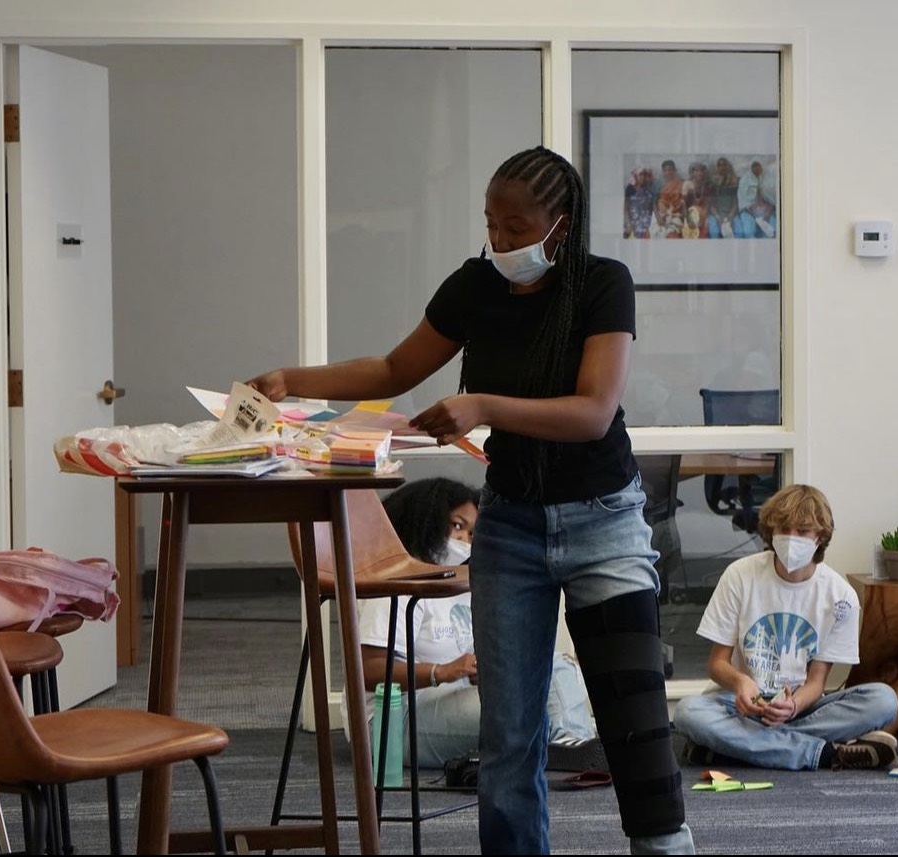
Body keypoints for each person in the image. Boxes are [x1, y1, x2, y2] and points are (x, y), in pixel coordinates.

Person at [248, 145, 694, 855]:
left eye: (517, 227)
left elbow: (592, 413)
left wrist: (481, 404)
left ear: (562, 222)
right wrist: (291, 379)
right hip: (511, 525)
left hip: (602, 520)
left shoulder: (603, 284)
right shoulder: (476, 286)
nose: (501, 242)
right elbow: (395, 368)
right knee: (509, 733)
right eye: (491, 224)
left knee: (633, 725)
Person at [346, 477, 604, 772]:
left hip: (451, 701)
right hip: (395, 720)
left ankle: (570, 746)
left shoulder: (461, 583)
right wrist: (442, 672)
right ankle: (563, 745)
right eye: (457, 526)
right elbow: (369, 670)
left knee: (555, 666)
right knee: (521, 708)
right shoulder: (396, 586)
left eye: (472, 533)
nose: (466, 542)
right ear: (424, 522)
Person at [673, 484, 898, 772]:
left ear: (820, 536)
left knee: (883, 700)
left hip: (802, 710)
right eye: (784, 530)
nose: (791, 539)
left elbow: (816, 683)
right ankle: (825, 754)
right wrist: (741, 683)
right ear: (771, 532)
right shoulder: (740, 575)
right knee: (688, 712)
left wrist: (793, 706)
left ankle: (731, 748)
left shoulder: (840, 596)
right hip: (740, 707)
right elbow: (717, 664)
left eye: (803, 531)